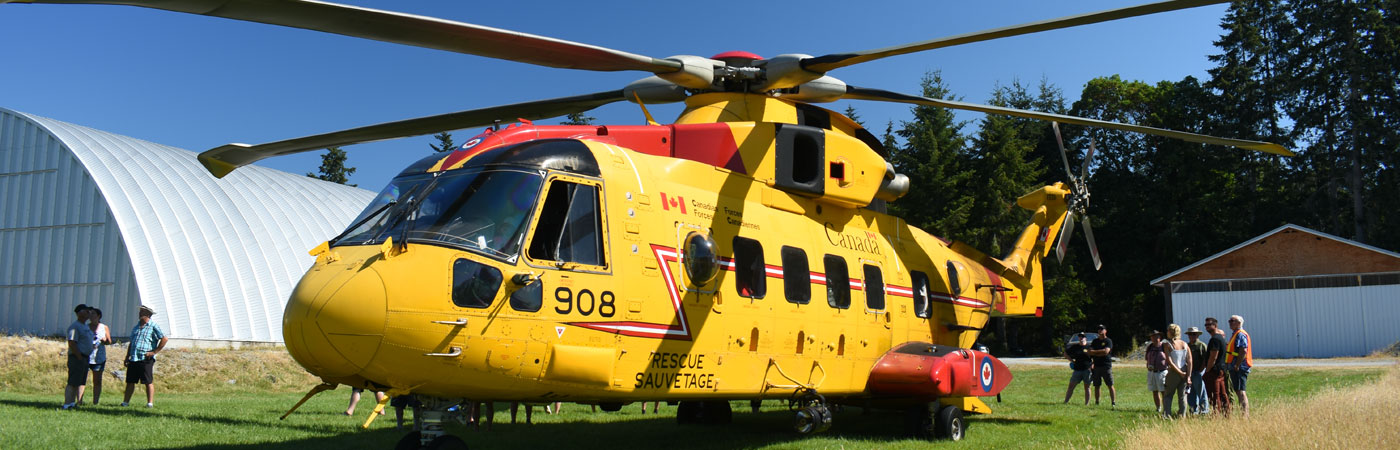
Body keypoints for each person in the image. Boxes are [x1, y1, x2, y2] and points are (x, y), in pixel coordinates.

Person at [121, 305, 167, 408]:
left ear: (147, 314)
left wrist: (154, 352)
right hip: (134, 357)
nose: (139, 314)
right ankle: (125, 402)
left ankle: (149, 403)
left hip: (145, 358)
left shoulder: (153, 326)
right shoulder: (136, 327)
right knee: (130, 381)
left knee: (148, 381)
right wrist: (127, 356)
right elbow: (132, 342)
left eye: (142, 312)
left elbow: (164, 339)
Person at [62, 305, 96, 410]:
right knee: (72, 382)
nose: (88, 313)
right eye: (86, 311)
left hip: (85, 357)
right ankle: (67, 404)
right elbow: (72, 343)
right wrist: (79, 357)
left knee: (79, 382)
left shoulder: (85, 326)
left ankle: (72, 403)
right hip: (77, 358)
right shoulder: (75, 326)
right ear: (79, 313)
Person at [1203, 317, 1232, 416]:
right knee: (1222, 393)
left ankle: (1216, 415)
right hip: (1221, 370)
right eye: (1206, 325)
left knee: (1214, 394)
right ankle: (1227, 413)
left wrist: (1207, 370)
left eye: (1209, 324)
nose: (1207, 327)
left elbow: (1213, 356)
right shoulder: (1220, 338)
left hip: (1214, 371)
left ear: (1215, 325)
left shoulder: (1215, 339)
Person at [1162, 324, 1192, 418]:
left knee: (1168, 394)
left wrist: (1179, 372)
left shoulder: (1167, 344)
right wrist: (1188, 376)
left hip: (1174, 372)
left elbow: (1170, 361)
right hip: (1184, 369)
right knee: (1182, 396)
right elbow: (1190, 360)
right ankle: (1182, 415)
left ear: (1170, 332)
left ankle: (1167, 415)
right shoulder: (1185, 344)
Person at [1227, 314, 1253, 418]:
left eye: (1232, 321)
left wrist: (1237, 365)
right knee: (1238, 391)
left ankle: (1245, 416)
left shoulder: (1240, 334)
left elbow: (1243, 350)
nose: (1230, 322)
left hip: (1240, 366)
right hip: (1236, 366)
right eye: (1229, 321)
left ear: (1239, 323)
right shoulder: (1235, 333)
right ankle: (1244, 415)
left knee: (1241, 391)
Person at [1086, 324, 1117, 407]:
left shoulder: (1108, 341)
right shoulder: (1095, 341)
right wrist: (1100, 352)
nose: (1100, 330)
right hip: (1096, 366)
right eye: (1099, 329)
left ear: (1105, 331)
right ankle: (1097, 402)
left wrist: (1095, 352)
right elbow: (1089, 351)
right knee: (1097, 385)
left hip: (1106, 366)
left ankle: (1113, 402)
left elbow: (1106, 352)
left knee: (1110, 385)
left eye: (1102, 329)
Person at [88, 308, 113, 405]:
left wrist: (104, 340)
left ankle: (95, 401)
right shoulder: (86, 327)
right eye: (90, 314)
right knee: (82, 380)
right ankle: (79, 400)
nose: (91, 316)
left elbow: (109, 341)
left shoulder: (104, 327)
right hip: (87, 355)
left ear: (98, 316)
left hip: (99, 357)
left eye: (93, 314)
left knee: (97, 380)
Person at [1062, 333, 1092, 405]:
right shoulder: (1075, 347)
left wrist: (1093, 365)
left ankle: (1086, 404)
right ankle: (1065, 402)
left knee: (1087, 387)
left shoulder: (1089, 347)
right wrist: (1072, 360)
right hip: (1077, 369)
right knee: (1071, 386)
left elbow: (1095, 356)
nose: (1081, 338)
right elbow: (1065, 354)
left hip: (1087, 370)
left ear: (1085, 338)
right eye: (1080, 337)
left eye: (1083, 337)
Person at [1185, 326, 1208, 414]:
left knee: (1201, 391)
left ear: (1197, 335)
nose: (1192, 336)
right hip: (1189, 372)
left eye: (1194, 334)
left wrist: (1201, 370)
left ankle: (1204, 410)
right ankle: (1193, 409)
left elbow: (1205, 359)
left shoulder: (1201, 345)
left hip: (1198, 372)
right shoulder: (1187, 346)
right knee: (1190, 392)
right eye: (1190, 334)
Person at [1145, 330, 1167, 413]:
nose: (1154, 338)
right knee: (1154, 390)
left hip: (1161, 372)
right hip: (1151, 372)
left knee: (1163, 391)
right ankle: (1158, 408)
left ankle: (1166, 408)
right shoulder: (1149, 347)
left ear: (1160, 337)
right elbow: (1146, 358)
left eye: (1156, 336)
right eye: (1153, 336)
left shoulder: (1164, 346)